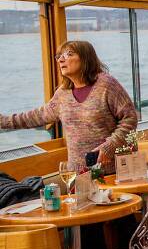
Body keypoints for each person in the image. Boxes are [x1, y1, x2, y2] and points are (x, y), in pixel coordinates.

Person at [0, 41, 138, 172]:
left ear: (85, 59)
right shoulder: (62, 93)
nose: (61, 60)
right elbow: (37, 116)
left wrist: (109, 147)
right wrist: (3, 121)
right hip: (78, 174)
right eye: (59, 56)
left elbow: (130, 118)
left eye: (69, 54)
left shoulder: (107, 84)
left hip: (115, 170)